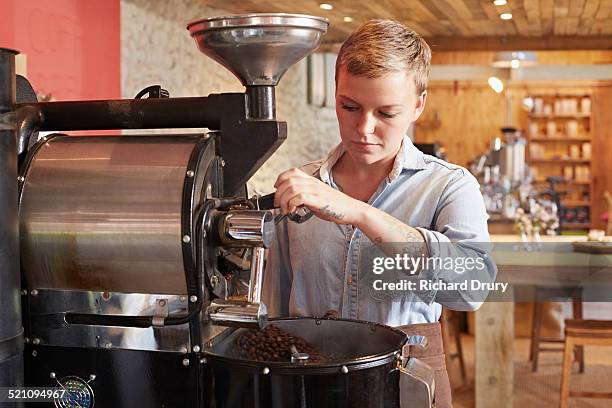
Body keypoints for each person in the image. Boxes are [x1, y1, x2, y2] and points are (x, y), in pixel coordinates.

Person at [262, 19, 496, 407]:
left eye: (386, 113)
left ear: (418, 104)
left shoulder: (449, 185)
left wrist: (361, 214)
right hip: (307, 379)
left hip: (408, 382)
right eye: (349, 106)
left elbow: (473, 289)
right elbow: (274, 299)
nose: (363, 128)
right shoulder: (303, 183)